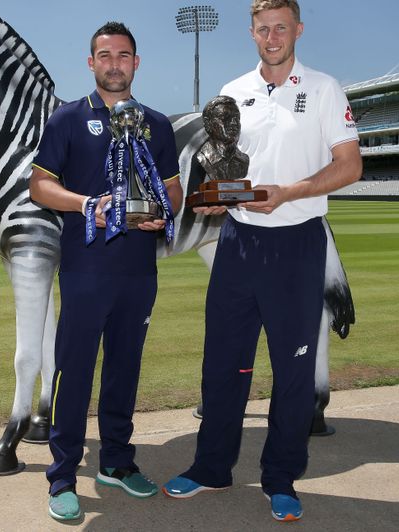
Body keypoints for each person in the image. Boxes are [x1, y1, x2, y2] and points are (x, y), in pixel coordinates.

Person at [162, 0, 362, 523]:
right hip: (238, 243)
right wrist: (208, 197)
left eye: (280, 27)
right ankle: (212, 468)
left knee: (293, 372)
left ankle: (280, 479)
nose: (272, 37)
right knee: (222, 364)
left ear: (296, 29)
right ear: (251, 33)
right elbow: (227, 181)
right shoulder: (233, 93)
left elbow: (350, 165)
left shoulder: (323, 88)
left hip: (297, 243)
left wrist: (290, 192)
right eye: (262, 29)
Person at [29, 21, 183, 522]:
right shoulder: (68, 119)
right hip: (86, 268)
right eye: (104, 55)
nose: (114, 63)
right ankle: (62, 476)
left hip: (139, 272)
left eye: (123, 55)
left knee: (125, 370)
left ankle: (116, 462)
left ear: (136, 63)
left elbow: (173, 191)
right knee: (74, 373)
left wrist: (164, 208)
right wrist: (87, 204)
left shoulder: (157, 125)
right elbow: (40, 188)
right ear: (90, 62)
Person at [197, 95, 250, 182]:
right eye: (225, 117)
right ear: (208, 124)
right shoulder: (202, 158)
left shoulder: (243, 161)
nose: (233, 123)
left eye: (237, 118)